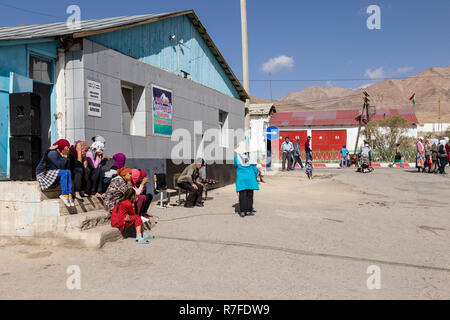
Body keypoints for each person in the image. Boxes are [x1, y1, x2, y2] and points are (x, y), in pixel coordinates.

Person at [35, 139, 74, 207]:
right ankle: (64, 195)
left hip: (52, 172)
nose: (68, 148)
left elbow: (66, 168)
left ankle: (69, 194)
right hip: (43, 174)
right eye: (67, 147)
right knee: (64, 173)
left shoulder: (61, 153)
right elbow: (60, 166)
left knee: (68, 171)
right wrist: (65, 157)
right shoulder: (52, 153)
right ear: (63, 147)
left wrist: (66, 157)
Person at [233, 141, 259, 218]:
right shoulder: (251, 157)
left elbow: (234, 166)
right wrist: (255, 176)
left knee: (242, 194)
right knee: (249, 194)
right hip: (250, 178)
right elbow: (255, 169)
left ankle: (242, 211)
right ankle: (249, 210)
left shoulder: (236, 158)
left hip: (241, 178)